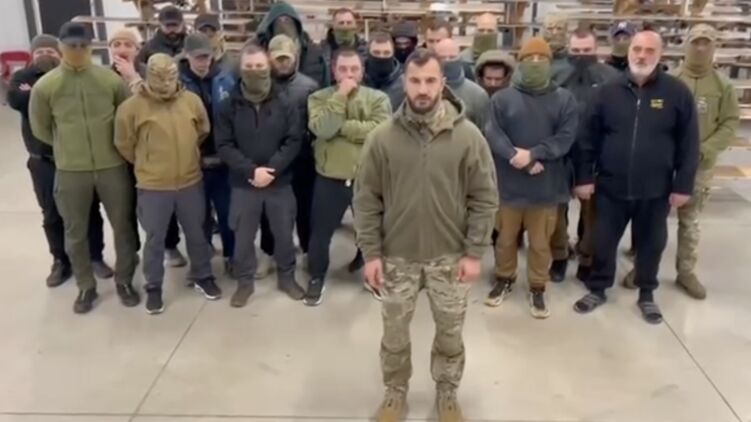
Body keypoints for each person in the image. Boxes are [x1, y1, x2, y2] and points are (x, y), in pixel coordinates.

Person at [354, 48, 498, 422]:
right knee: (394, 335)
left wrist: (474, 253)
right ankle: (394, 393)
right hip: (396, 257)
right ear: (404, 83)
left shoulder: (468, 137)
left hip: (449, 257)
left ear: (442, 83)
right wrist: (371, 253)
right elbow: (366, 199)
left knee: (450, 334)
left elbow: (485, 198)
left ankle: (447, 393)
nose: (422, 89)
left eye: (430, 81)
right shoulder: (382, 138)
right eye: (415, 81)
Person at [572, 30, 699, 325]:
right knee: (603, 241)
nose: (642, 55)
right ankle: (598, 288)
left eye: (649, 50)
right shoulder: (607, 91)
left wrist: (683, 185)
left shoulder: (677, 92)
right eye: (637, 49)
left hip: (656, 189)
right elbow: (587, 139)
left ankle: (647, 293)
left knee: (652, 244)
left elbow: (689, 143)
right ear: (629, 51)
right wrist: (583, 177)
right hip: (610, 186)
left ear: (660, 55)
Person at [621, 24, 740, 299]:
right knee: (652, 222)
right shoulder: (669, 81)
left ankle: (686, 272)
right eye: (695, 42)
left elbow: (729, 123)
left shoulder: (722, 86)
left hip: (700, 168)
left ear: (714, 47)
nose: (700, 48)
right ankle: (642, 269)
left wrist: (704, 149)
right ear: (686, 45)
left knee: (690, 223)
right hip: (664, 166)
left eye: (706, 43)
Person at [29, 22, 140, 314]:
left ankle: (124, 280)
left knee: (123, 226)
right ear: (61, 47)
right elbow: (41, 128)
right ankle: (85, 286)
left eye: (82, 45)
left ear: (91, 47)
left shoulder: (109, 81)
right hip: (71, 170)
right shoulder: (47, 86)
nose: (77, 50)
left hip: (111, 166)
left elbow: (125, 117)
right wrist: (68, 147)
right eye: (71, 46)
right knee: (75, 231)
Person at [115, 53, 220, 314]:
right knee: (154, 239)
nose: (165, 82)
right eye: (159, 77)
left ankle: (203, 275)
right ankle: (153, 286)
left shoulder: (191, 101)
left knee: (197, 233)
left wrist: (186, 155)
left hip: (190, 181)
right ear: (148, 75)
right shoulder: (131, 108)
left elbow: (202, 130)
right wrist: (148, 163)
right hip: (153, 186)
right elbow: (125, 144)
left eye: (170, 76)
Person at [7, 34, 113, 287]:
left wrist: (37, 92)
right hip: (44, 161)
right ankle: (60, 261)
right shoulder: (21, 77)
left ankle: (95, 257)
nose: (45, 55)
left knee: (89, 209)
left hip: (78, 160)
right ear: (32, 55)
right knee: (52, 214)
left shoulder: (75, 75)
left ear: (61, 53)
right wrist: (48, 92)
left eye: (51, 51)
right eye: (40, 51)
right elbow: (17, 100)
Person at [484, 37, 578, 318]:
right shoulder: (502, 99)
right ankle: (504, 278)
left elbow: (565, 137)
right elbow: (493, 133)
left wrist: (535, 154)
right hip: (508, 188)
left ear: (550, 63)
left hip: (545, 189)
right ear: (520, 63)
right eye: (529, 59)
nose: (535, 64)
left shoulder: (564, 99)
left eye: (541, 59)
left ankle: (538, 286)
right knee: (505, 240)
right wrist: (516, 156)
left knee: (540, 244)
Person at [215, 44, 304, 308]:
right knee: (243, 239)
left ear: (269, 67)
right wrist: (251, 170)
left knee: (284, 235)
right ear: (240, 70)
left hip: (280, 184)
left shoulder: (285, 102)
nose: (254, 71)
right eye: (249, 67)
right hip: (244, 185)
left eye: (260, 66)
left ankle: (287, 278)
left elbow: (293, 140)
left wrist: (272, 170)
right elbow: (224, 145)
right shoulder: (228, 105)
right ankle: (244, 283)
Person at [305, 48, 391, 306]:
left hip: (366, 180)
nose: (349, 74)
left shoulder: (378, 99)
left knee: (371, 232)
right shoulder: (319, 98)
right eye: (343, 69)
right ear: (334, 71)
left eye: (354, 69)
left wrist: (342, 128)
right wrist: (341, 96)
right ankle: (317, 276)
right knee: (320, 234)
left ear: (362, 71)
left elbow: (380, 131)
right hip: (329, 178)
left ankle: (371, 275)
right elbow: (322, 128)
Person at [109, 26, 185, 267]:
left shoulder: (148, 73)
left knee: (161, 204)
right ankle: (131, 252)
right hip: (117, 154)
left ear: (137, 49)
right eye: (116, 44)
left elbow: (158, 105)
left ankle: (170, 245)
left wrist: (133, 78)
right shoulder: (103, 77)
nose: (122, 49)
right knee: (125, 207)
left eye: (128, 44)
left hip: (151, 155)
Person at [554, 29, 619, 283]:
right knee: (556, 211)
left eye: (587, 51)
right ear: (568, 49)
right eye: (576, 51)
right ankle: (559, 256)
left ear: (596, 50)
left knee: (593, 212)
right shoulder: (555, 74)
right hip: (560, 152)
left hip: (595, 153)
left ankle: (587, 257)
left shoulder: (610, 78)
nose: (581, 55)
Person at [257, 35, 320, 276]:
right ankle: (268, 252)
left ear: (295, 58)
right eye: (278, 59)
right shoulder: (259, 86)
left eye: (287, 58)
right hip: (270, 157)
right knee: (268, 211)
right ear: (269, 59)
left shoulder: (309, 87)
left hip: (302, 159)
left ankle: (307, 250)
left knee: (305, 209)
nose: (283, 63)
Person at [178, 33, 236, 276]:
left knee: (228, 213)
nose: (203, 62)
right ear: (187, 56)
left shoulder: (226, 80)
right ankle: (201, 263)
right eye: (198, 57)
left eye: (207, 57)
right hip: (193, 162)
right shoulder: (178, 83)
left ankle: (232, 256)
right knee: (197, 218)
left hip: (223, 161)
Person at [254, 0, 328, 87]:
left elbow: (325, 82)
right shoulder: (261, 52)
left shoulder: (313, 53)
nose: (283, 25)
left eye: (287, 20)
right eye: (279, 21)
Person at [434, 38, 489, 130]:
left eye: (452, 57)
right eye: (442, 58)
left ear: (460, 58)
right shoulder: (425, 90)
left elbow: (483, 131)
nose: (447, 61)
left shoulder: (477, 95)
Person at [363, 32, 405, 110]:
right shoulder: (357, 81)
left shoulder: (403, 85)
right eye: (376, 52)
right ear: (368, 53)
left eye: (386, 53)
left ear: (393, 54)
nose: (381, 57)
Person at [320, 8, 369, 72]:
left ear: (355, 25)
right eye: (341, 23)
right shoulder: (321, 51)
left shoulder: (367, 50)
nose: (345, 26)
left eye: (349, 23)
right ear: (333, 26)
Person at [542, 15, 569, 84]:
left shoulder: (572, 61)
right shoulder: (534, 57)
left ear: (566, 31)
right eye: (550, 28)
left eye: (559, 28)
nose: (554, 33)